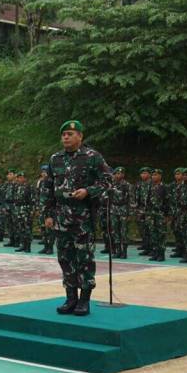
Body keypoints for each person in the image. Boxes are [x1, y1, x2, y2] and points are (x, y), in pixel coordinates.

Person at [42, 121, 112, 316]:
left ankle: (84, 299)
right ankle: (70, 297)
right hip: (61, 217)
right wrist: (47, 214)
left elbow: (108, 180)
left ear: (80, 136)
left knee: (84, 259)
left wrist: (88, 191)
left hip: (83, 218)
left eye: (70, 134)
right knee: (65, 258)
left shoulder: (92, 157)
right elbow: (47, 188)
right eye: (63, 134)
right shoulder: (55, 159)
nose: (66, 137)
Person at [147, 169, 170, 261]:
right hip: (152, 214)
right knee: (153, 234)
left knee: (161, 234)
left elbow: (168, 201)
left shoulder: (164, 187)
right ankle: (155, 252)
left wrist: (167, 215)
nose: (153, 177)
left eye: (156, 175)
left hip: (161, 213)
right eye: (152, 175)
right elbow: (147, 201)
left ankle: (161, 254)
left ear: (160, 176)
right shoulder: (150, 187)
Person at [108, 167, 131, 258]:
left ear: (123, 175)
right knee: (115, 230)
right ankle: (118, 251)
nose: (118, 175)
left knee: (124, 231)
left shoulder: (127, 185)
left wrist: (130, 213)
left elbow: (131, 199)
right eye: (117, 173)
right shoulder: (111, 185)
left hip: (123, 209)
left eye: (120, 173)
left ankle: (124, 252)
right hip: (114, 209)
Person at [37, 165, 56, 255]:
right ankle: (45, 246)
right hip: (42, 209)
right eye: (42, 171)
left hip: (50, 209)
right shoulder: (41, 182)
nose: (43, 173)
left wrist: (51, 212)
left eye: (45, 171)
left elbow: (54, 198)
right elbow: (39, 196)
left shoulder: (52, 182)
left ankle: (50, 247)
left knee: (50, 229)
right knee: (43, 229)